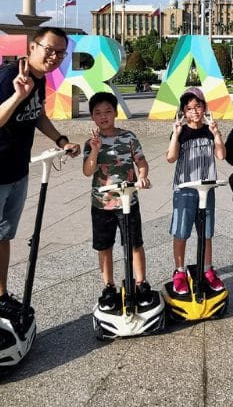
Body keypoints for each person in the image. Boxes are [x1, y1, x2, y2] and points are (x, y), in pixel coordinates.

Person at [0, 27, 81, 349]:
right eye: (49, 50)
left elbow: (37, 115)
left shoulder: (38, 80)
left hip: (16, 172)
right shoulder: (10, 75)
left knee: (3, 237)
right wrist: (17, 95)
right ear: (33, 46)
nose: (53, 57)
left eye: (60, 53)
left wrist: (60, 140)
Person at [83, 91, 155, 310]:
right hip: (101, 204)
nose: (103, 116)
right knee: (104, 246)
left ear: (115, 112)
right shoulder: (91, 142)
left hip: (127, 201)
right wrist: (94, 151)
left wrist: (142, 177)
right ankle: (108, 286)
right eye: (98, 113)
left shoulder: (129, 137)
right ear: (93, 117)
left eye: (108, 111)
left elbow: (141, 162)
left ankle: (141, 282)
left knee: (134, 243)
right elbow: (87, 171)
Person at [165, 87, 226, 295]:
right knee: (181, 231)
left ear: (204, 108)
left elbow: (220, 156)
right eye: (189, 108)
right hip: (185, 190)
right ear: (183, 111)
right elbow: (170, 158)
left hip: (206, 190)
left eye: (198, 107)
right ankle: (179, 271)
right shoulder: (181, 132)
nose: (194, 112)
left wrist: (217, 134)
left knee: (206, 232)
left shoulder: (210, 130)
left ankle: (208, 269)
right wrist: (175, 134)